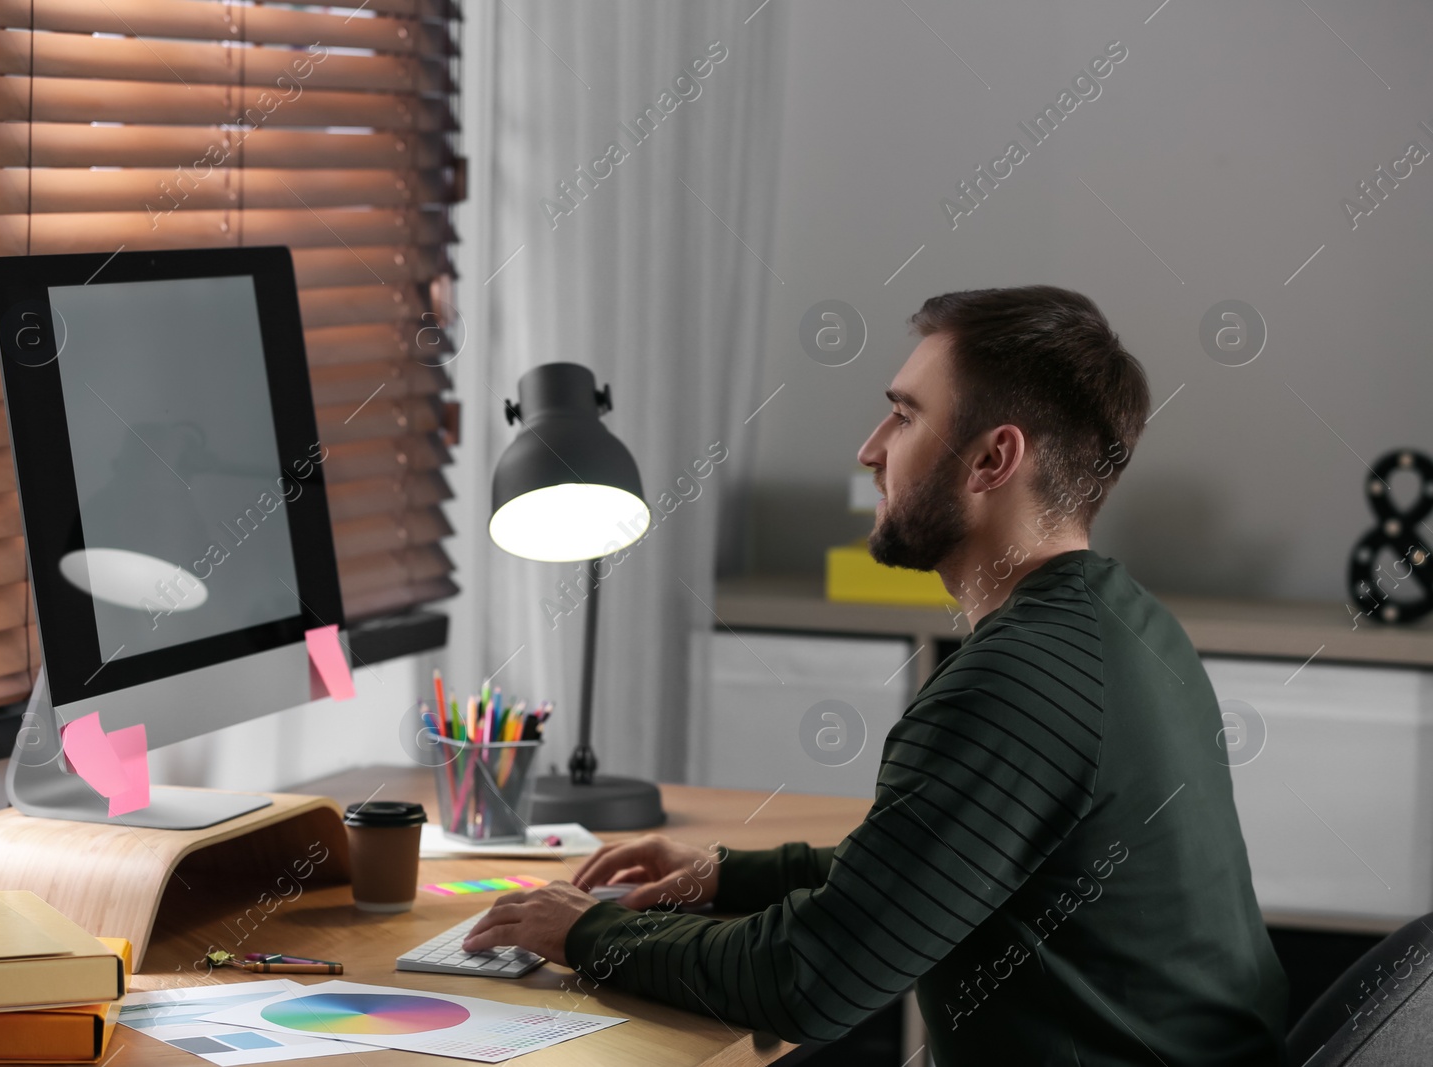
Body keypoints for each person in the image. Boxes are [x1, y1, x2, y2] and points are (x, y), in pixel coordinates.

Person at [462, 285, 1288, 1065]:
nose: (870, 449)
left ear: (994, 458)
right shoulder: (1128, 623)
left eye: (903, 416)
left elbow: (809, 978)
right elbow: (932, 863)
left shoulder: (1016, 685)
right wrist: (725, 871)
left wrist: (585, 935)